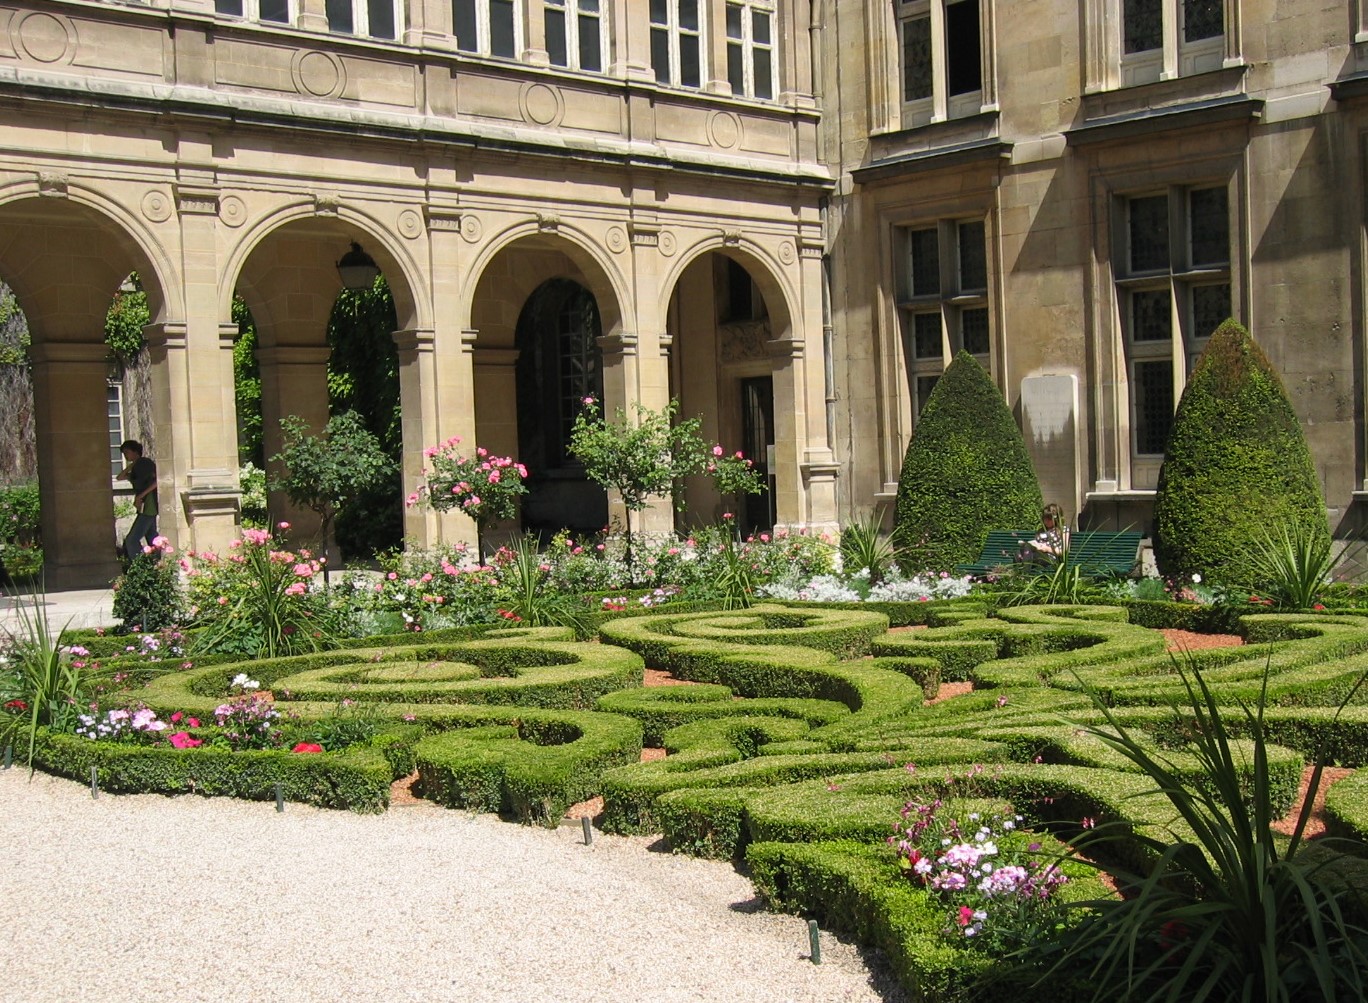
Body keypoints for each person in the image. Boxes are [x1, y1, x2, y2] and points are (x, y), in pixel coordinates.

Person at [117, 439, 158, 562]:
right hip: (144, 505)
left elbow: (157, 481)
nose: (125, 455)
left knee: (132, 540)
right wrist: (133, 463)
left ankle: (140, 566)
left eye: (127, 452)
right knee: (152, 537)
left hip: (149, 504)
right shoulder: (137, 466)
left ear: (135, 451)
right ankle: (157, 563)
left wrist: (140, 496)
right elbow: (120, 477)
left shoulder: (145, 464)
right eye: (124, 453)